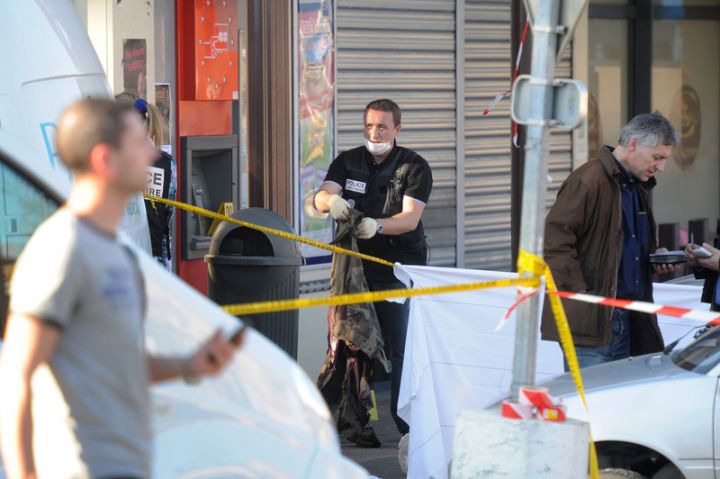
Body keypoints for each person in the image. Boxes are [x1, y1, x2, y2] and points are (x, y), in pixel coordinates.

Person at [0, 99, 240, 479]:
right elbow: (18, 376)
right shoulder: (62, 248)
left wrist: (189, 365)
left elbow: (117, 364)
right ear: (105, 160)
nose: (151, 151)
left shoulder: (119, 252)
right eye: (138, 143)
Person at [314, 99, 433, 439]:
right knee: (350, 345)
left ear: (397, 128)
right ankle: (353, 423)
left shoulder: (413, 167)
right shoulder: (349, 161)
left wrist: (377, 226)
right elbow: (320, 197)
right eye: (368, 125)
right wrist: (331, 202)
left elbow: (409, 219)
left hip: (398, 270)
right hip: (355, 272)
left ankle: (407, 427)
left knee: (400, 348)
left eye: (382, 126)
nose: (374, 132)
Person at [542, 112, 679, 368]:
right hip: (593, 322)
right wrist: (582, 298)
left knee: (618, 405)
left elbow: (625, 247)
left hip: (631, 318)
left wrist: (655, 255)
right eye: (658, 157)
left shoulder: (637, 185)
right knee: (591, 405)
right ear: (634, 143)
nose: (661, 167)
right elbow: (555, 244)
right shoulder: (587, 180)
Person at [117, 92, 177, 270]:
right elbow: (168, 212)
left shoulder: (110, 160)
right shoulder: (167, 163)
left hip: (123, 259)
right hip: (158, 260)